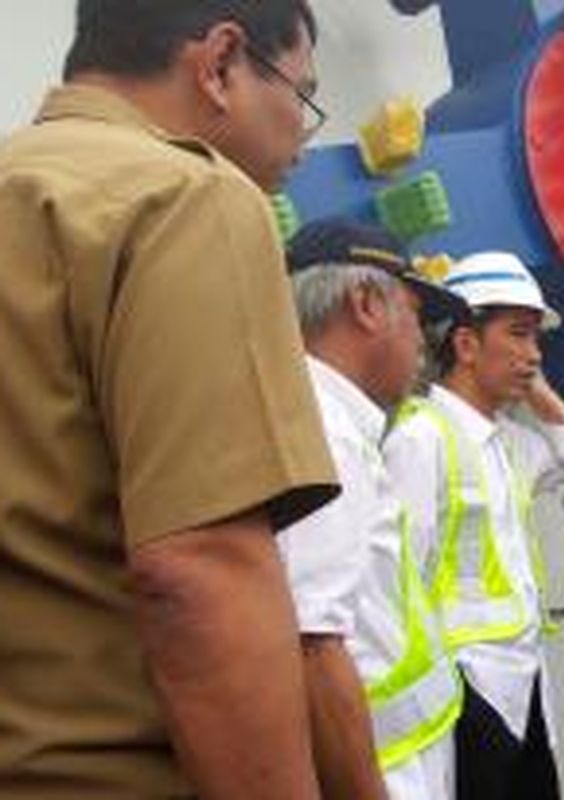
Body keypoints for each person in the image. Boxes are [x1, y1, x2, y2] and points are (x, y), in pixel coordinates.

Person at [0, 2, 337, 798]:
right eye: (303, 93)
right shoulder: (186, 198)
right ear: (220, 62)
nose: (303, 130)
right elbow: (199, 573)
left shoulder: (24, 189)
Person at [383, 251, 564, 800]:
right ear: (464, 344)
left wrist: (533, 383)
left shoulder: (511, 442)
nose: (535, 354)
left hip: (523, 678)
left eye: (537, 339)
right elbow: (394, 581)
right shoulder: (420, 437)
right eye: (520, 335)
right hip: (462, 688)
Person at [278, 219, 469, 799]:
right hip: (384, 770)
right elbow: (313, 644)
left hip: (405, 753)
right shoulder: (324, 435)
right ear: (365, 303)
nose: (422, 339)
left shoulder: (335, 422)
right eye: (414, 314)